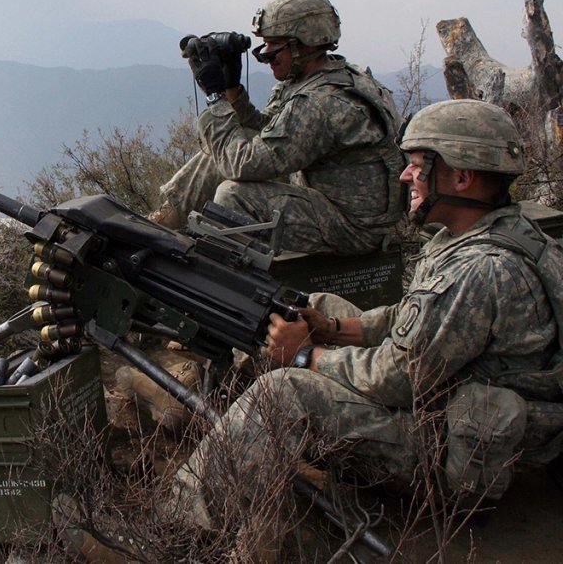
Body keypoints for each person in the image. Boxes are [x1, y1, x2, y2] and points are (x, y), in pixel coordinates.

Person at [172, 99, 563, 528]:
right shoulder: (502, 233)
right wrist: (336, 328)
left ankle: (182, 521)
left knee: (286, 391)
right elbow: (413, 315)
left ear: (463, 177)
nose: (405, 176)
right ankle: (239, 415)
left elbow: (398, 379)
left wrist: (306, 357)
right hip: (457, 399)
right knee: (315, 305)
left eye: (418, 166)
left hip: (451, 448)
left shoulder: (480, 270)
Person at [152, 0, 404, 255]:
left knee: (233, 194)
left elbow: (243, 164)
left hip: (355, 229)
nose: (266, 55)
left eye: (275, 46)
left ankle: (215, 278)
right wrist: (232, 89)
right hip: (335, 208)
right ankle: (158, 229)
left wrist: (215, 98)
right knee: (221, 153)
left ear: (306, 42)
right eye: (265, 44)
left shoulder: (321, 101)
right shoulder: (318, 78)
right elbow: (268, 130)